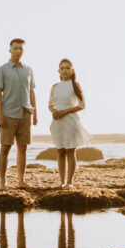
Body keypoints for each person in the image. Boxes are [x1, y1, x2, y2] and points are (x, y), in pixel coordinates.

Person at [0, 38, 37, 189]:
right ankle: (2, 181)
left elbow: (31, 92)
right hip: (8, 114)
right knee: (5, 147)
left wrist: (35, 113)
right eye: (16, 48)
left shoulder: (28, 70)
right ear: (10, 50)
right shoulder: (2, 70)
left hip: (25, 113)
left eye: (21, 48)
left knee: (23, 147)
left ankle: (21, 181)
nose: (18, 51)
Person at [48, 58, 92, 188]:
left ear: (72, 70)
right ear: (58, 71)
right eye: (62, 68)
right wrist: (54, 111)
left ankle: (69, 182)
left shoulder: (75, 85)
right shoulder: (55, 86)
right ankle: (61, 182)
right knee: (60, 151)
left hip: (70, 120)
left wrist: (65, 111)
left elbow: (82, 105)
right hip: (57, 121)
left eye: (67, 68)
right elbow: (50, 104)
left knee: (70, 151)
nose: (65, 70)